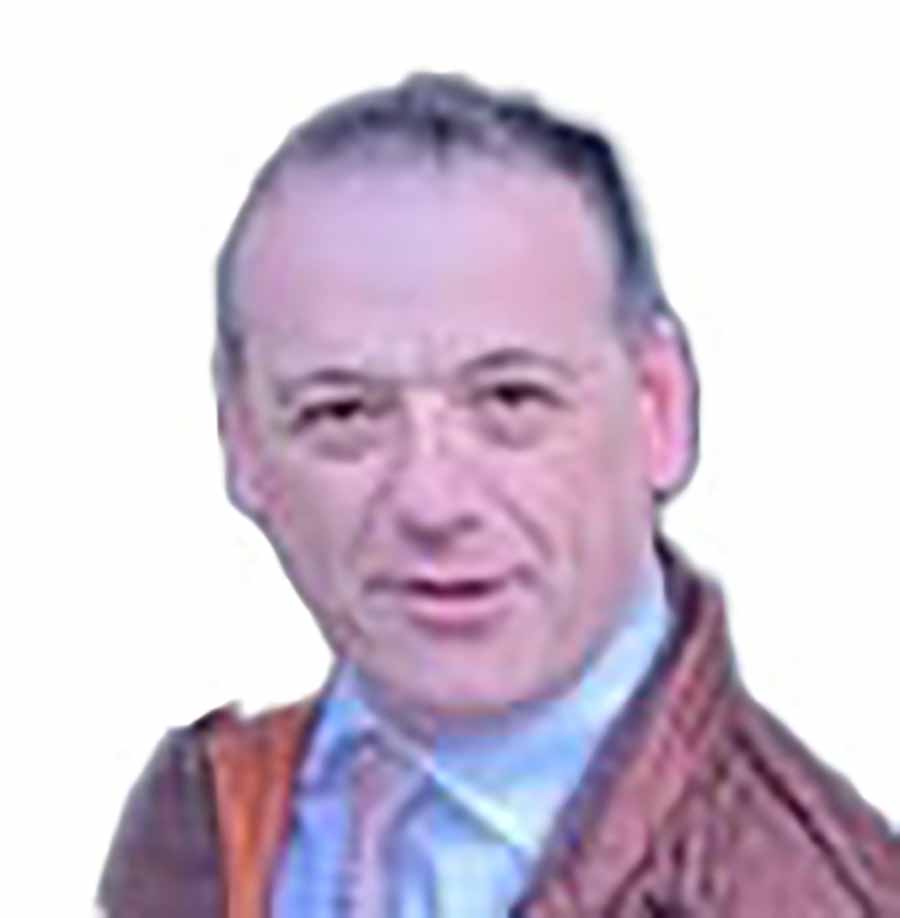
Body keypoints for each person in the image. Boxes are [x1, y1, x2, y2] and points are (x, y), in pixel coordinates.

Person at [97, 73, 900, 917]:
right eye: (343, 413)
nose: (432, 501)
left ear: (660, 410)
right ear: (241, 442)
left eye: (511, 400)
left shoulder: (813, 895)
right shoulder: (191, 827)